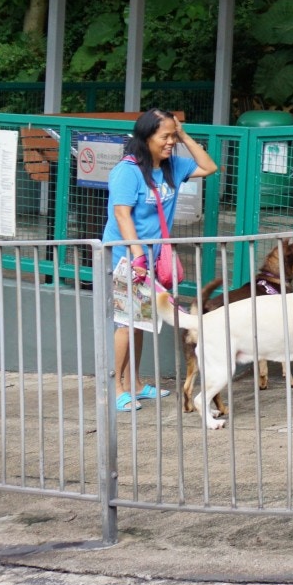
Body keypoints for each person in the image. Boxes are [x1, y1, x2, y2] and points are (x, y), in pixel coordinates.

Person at [102, 108, 218, 411]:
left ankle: (136, 383)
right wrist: (139, 255)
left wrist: (182, 135)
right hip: (128, 258)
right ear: (146, 137)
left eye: (172, 136)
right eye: (164, 136)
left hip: (153, 258)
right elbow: (121, 215)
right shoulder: (127, 171)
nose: (170, 142)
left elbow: (208, 167)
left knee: (139, 323)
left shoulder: (171, 165)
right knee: (126, 324)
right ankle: (116, 389)